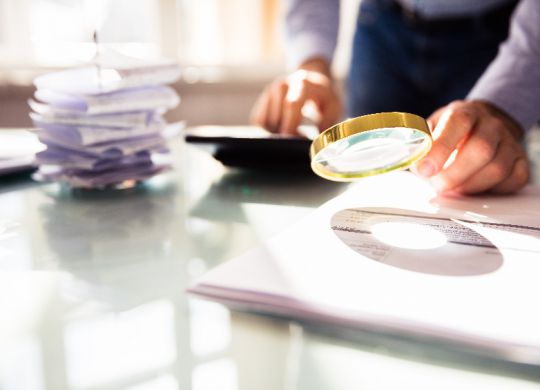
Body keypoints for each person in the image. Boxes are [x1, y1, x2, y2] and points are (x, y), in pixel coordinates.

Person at [251, 0, 540, 194]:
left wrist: (503, 103)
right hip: (383, 26)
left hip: (501, 33)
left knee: (483, 167)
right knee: (368, 190)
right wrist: (311, 64)